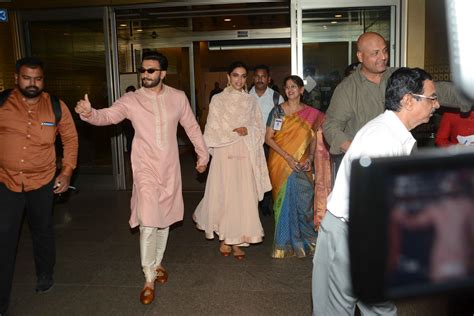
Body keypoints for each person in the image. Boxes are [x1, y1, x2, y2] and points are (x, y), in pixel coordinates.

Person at [75, 51, 209, 305]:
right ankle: (148, 277)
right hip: (144, 167)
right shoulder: (131, 99)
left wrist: (203, 157)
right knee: (148, 220)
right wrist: (90, 113)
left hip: (169, 168)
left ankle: (158, 263)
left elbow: (191, 126)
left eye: (150, 70)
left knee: (165, 219)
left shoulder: (178, 98)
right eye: (142, 70)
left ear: (163, 74)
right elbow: (108, 116)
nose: (144, 74)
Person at [312, 67, 440, 315]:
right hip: (350, 234)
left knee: (376, 306)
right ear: (408, 100)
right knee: (338, 309)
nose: (436, 104)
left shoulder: (394, 135)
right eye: (431, 97)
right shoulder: (381, 139)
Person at [323, 32, 472, 174]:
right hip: (368, 166)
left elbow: (436, 90)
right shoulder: (347, 89)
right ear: (360, 56)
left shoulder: (398, 77)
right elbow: (331, 126)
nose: (383, 57)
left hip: (403, 157)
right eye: (375, 53)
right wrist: (357, 151)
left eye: (385, 51)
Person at [0, 57, 78, 314]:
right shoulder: (2, 103)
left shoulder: (56, 106)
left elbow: (70, 140)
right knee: (4, 237)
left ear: (44, 80)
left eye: (37, 78)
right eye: (26, 77)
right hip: (6, 180)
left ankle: (45, 274)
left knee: (42, 231)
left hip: (42, 181)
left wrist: (66, 172)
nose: (32, 83)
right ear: (16, 78)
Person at [193, 61, 271, 259]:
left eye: (243, 76)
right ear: (228, 77)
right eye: (235, 75)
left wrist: (248, 130)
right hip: (223, 152)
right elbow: (211, 128)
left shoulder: (251, 101)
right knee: (225, 194)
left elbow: (259, 128)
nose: (239, 80)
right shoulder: (217, 100)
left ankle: (239, 240)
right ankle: (224, 239)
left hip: (245, 151)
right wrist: (204, 156)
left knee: (243, 196)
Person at [265, 75, 330, 258]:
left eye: (294, 86)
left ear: (302, 90)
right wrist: (287, 158)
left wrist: (309, 157)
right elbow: (268, 138)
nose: (290, 90)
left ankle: (308, 242)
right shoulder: (277, 112)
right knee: (284, 203)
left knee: (305, 203)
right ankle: (284, 244)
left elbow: (312, 138)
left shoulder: (312, 113)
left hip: (302, 163)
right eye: (287, 87)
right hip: (280, 162)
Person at [249, 64, 284, 216]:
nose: (260, 79)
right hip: (251, 143)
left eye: (263, 76)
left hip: (270, 143)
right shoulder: (245, 96)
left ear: (269, 79)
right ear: (253, 78)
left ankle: (265, 203)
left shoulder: (276, 97)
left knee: (269, 173)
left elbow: (282, 120)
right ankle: (252, 202)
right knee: (252, 173)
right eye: (257, 76)